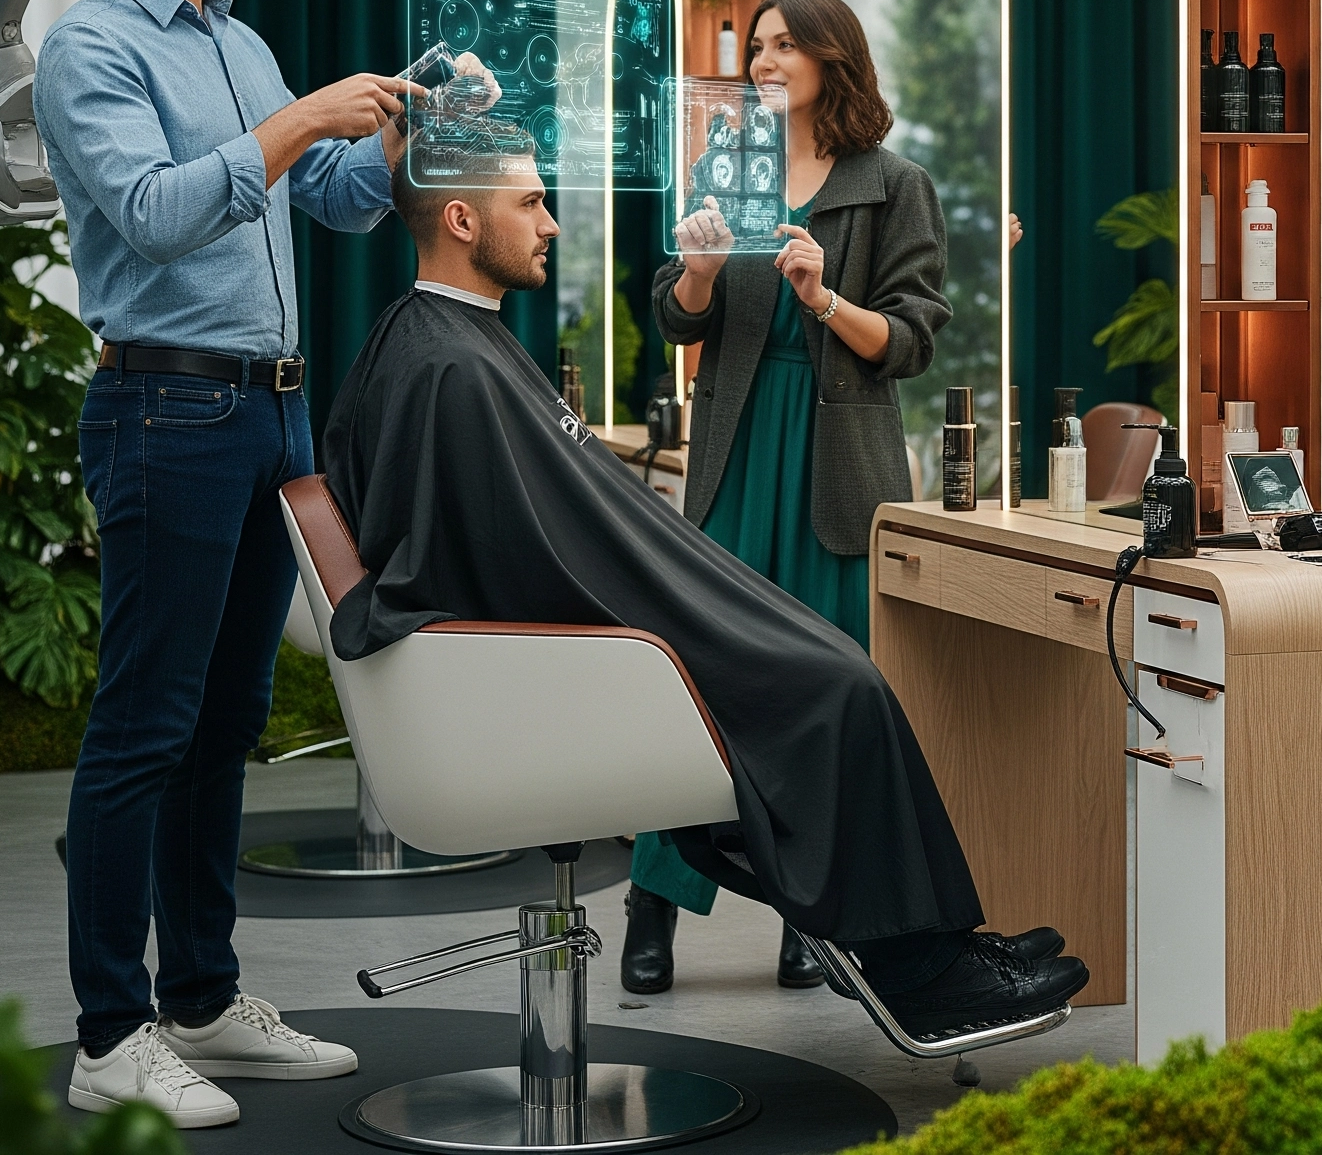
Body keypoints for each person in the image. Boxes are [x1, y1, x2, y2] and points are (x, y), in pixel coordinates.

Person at [324, 121, 1087, 1037]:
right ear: (458, 218)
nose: (552, 225)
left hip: (625, 612)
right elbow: (495, 559)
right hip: (585, 654)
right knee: (835, 686)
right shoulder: (446, 366)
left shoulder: (443, 347)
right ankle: (920, 964)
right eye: (530, 202)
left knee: (828, 663)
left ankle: (933, 947)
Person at [31, 0, 429, 1127]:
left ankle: (201, 996)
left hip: (273, 414)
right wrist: (297, 122)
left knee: (229, 722)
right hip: (166, 412)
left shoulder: (242, 46)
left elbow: (337, 200)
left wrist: (389, 128)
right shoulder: (89, 50)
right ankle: (108, 1031)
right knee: (143, 726)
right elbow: (148, 217)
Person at [624, 0, 952, 995]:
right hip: (734, 453)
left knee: (822, 694)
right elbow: (677, 319)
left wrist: (826, 298)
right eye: (755, 45)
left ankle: (809, 920)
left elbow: (913, 338)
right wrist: (698, 278)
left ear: (829, 58)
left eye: (780, 45)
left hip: (836, 462)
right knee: (699, 690)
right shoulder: (724, 166)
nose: (761, 59)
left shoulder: (894, 185)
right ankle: (653, 904)